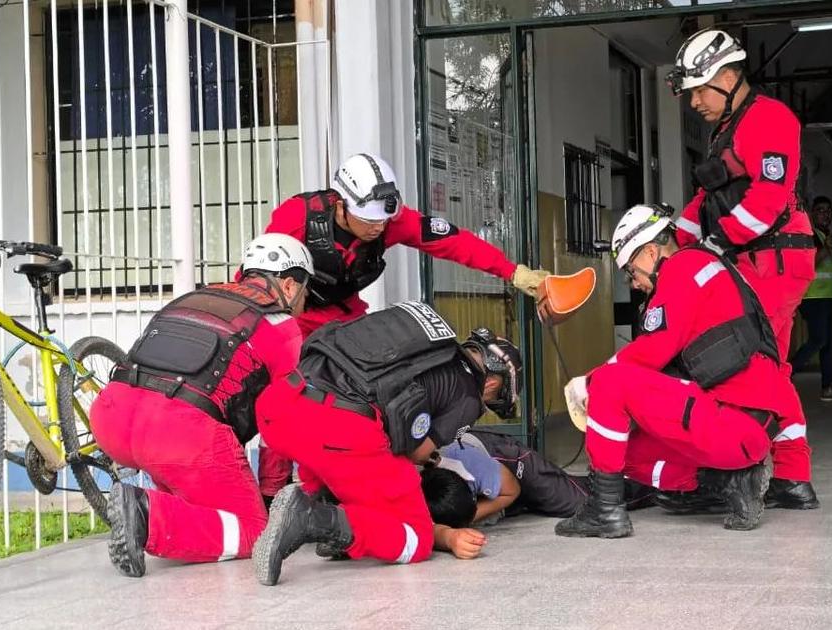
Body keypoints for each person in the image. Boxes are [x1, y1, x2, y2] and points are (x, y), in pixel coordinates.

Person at [554, 204, 806, 539]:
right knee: (619, 453)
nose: (634, 283)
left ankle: (604, 511)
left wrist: (589, 383)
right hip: (745, 436)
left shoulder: (683, 268)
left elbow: (654, 349)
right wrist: (796, 473)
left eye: (631, 271)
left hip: (727, 425)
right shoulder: (716, 272)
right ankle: (727, 482)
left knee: (610, 381)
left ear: (650, 251)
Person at [91, 234, 313, 578]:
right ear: (288, 285)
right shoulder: (281, 325)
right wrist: (271, 494)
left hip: (112, 416)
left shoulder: (194, 297)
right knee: (255, 528)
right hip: (179, 432)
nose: (305, 302)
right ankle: (146, 515)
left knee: (203, 502)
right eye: (305, 292)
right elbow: (278, 421)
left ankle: (152, 506)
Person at [250, 307, 524, 585]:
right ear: (491, 382)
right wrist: (430, 459)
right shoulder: (468, 395)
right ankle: (313, 519)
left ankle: (316, 503)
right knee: (417, 538)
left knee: (345, 468)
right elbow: (416, 450)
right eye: (498, 393)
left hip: (277, 407)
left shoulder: (428, 346)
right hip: (337, 431)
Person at [666, 28, 818, 508]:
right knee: (767, 368)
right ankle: (789, 477)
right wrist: (675, 240)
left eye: (699, 89)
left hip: (771, 259)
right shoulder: (725, 130)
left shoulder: (770, 119)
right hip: (748, 260)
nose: (693, 102)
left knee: (752, 367)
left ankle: (742, 472)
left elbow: (768, 202)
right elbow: (708, 197)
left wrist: (711, 244)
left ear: (729, 76)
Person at [262, 152, 549, 337]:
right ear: (340, 208)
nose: (379, 227)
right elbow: (255, 276)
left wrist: (513, 273)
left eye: (383, 220)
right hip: (291, 321)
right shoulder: (298, 217)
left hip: (345, 319)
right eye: (369, 219)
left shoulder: (392, 222)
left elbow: (454, 241)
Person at [421, 430, 655, 527]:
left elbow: (511, 490)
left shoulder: (472, 465)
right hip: (487, 482)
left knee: (579, 501)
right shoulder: (415, 484)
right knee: (536, 502)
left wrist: (468, 518)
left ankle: (659, 485)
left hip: (505, 458)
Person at [790, 196, 832, 402]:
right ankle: (783, 376)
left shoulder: (823, 235)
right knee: (818, 340)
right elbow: (809, 266)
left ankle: (828, 387)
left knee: (828, 343)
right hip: (813, 298)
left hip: (826, 297)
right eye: (820, 210)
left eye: (828, 211)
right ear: (812, 213)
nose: (825, 214)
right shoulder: (809, 235)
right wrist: (826, 247)